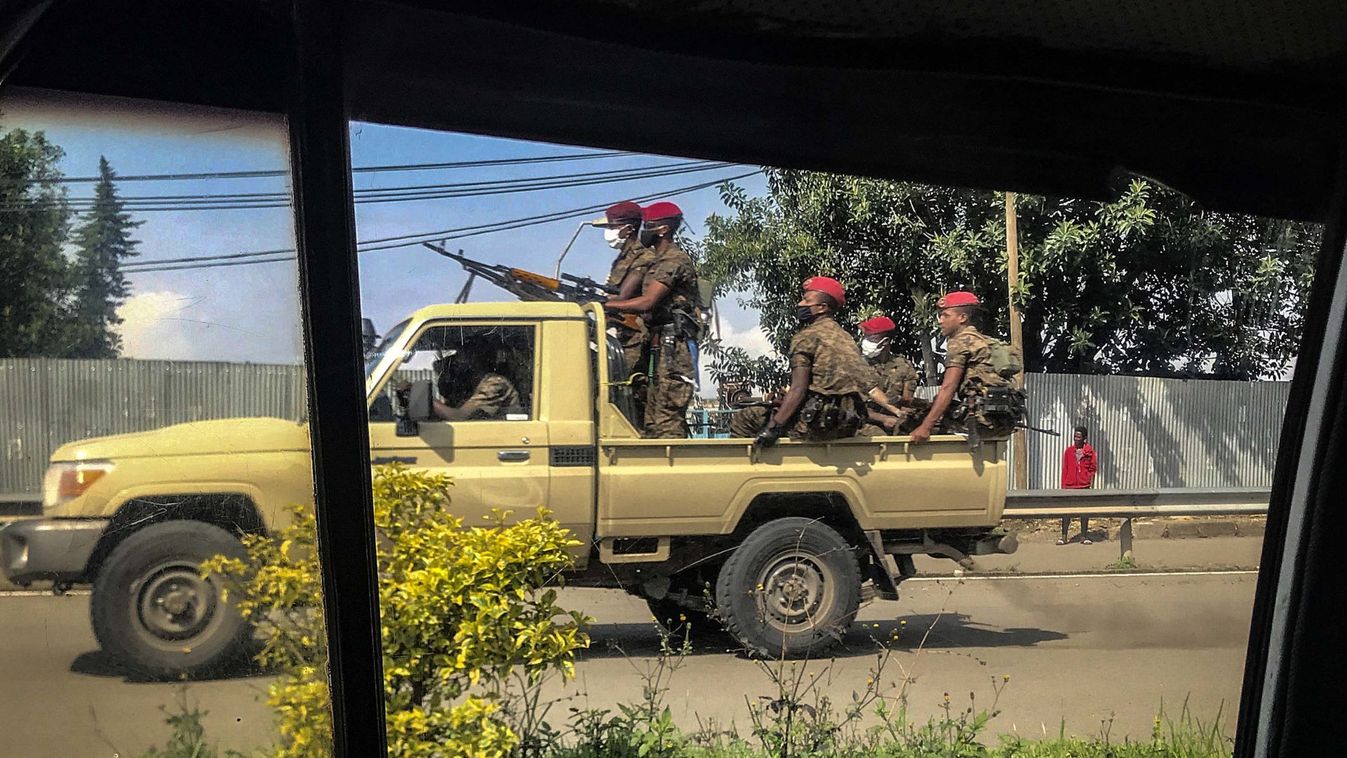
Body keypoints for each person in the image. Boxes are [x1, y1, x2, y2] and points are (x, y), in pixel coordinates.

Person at [750, 277, 902, 446]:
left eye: (806, 300)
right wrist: (896, 412)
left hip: (814, 426)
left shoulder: (805, 337)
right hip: (846, 425)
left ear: (822, 307)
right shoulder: (846, 338)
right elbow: (868, 386)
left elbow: (798, 389)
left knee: (746, 418)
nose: (801, 304)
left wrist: (773, 428)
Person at [605, 201, 700, 438]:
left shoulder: (674, 260)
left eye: (649, 225)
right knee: (651, 420)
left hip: (673, 347)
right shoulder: (657, 260)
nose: (643, 229)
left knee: (666, 419)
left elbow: (648, 302)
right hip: (658, 343)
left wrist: (605, 305)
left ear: (663, 229)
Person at [909, 290, 1018, 444]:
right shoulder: (984, 340)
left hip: (979, 418)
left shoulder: (960, 341)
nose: (940, 321)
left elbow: (948, 387)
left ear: (962, 318)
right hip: (1001, 419)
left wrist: (926, 427)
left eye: (945, 315)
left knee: (915, 419)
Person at [593, 201, 656, 423]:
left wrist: (599, 301)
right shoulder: (622, 258)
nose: (609, 233)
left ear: (629, 229)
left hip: (635, 337)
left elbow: (622, 296)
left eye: (612, 226)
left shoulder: (643, 257)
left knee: (626, 387)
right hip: (621, 335)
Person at [857, 315, 925, 434]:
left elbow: (906, 401)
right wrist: (883, 419)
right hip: (864, 422)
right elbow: (854, 407)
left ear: (886, 341)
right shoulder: (858, 365)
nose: (865, 342)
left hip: (895, 421)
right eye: (865, 337)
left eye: (871, 338)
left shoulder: (904, 366)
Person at [430, 343, 521, 421]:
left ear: (474, 358)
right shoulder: (471, 385)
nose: (456, 361)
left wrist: (429, 401)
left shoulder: (495, 383)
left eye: (460, 355)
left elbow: (459, 417)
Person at [1059, 425, 1098, 545]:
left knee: (1084, 512)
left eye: (1079, 437)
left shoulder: (1089, 452)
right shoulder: (1069, 451)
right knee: (1066, 513)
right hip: (1069, 486)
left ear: (1084, 438)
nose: (1076, 439)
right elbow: (1065, 469)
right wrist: (1063, 486)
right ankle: (1064, 537)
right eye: (1075, 436)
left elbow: (1093, 468)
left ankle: (1084, 536)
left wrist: (1089, 482)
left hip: (1083, 486)